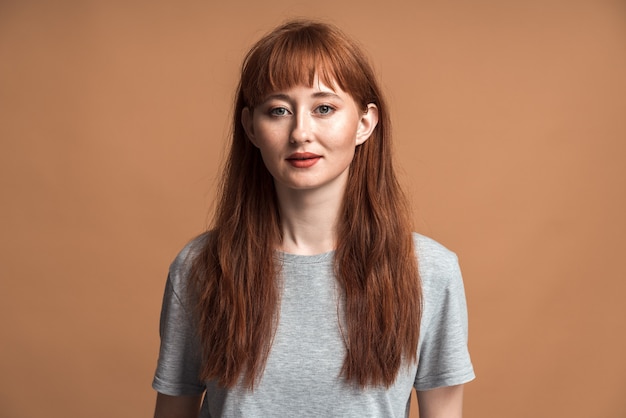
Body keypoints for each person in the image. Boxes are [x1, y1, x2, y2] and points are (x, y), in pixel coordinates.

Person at [152, 19, 475, 418]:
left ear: (364, 123)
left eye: (324, 108)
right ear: (251, 127)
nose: (300, 132)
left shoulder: (430, 271)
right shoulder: (201, 267)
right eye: (279, 110)